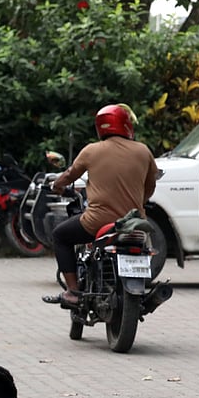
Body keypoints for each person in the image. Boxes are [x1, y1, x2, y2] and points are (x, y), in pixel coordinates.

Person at [42, 104, 159, 307]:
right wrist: (137, 204)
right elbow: (150, 186)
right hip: (135, 222)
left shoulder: (91, 150)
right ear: (126, 124)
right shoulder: (143, 151)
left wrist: (57, 185)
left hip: (97, 222)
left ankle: (73, 292)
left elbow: (70, 175)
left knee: (60, 235)